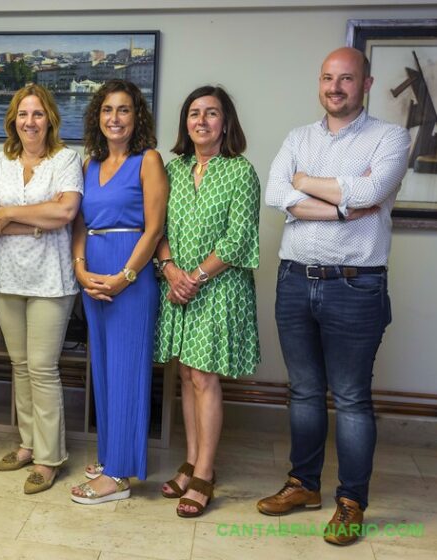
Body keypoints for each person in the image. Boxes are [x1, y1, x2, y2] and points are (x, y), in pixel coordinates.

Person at [259, 47, 410, 546]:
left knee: (350, 397)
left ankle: (351, 501)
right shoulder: (298, 137)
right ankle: (303, 485)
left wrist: (307, 185)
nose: (335, 87)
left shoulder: (390, 138)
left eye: (347, 79)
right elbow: (276, 192)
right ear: (318, 82)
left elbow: (371, 192)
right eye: (328, 78)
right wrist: (342, 205)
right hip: (296, 278)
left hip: (356, 283)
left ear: (366, 84)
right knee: (302, 391)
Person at [154, 86, 260, 518]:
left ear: (225, 121)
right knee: (183, 374)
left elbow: (239, 239)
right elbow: (154, 227)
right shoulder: (171, 170)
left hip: (218, 290)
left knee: (204, 378)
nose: (201, 120)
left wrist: (194, 277)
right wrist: (170, 271)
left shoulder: (240, 172)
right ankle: (192, 460)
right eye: (194, 113)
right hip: (175, 284)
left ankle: (205, 473)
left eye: (211, 113)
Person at [0, 85, 83, 494]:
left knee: (42, 368)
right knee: (19, 365)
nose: (30, 122)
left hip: (50, 278)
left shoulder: (66, 159)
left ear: (50, 119)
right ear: (13, 120)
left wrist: (10, 217)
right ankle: (27, 444)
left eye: (38, 114)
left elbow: (65, 211)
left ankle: (49, 457)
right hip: (7, 276)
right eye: (23, 114)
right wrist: (33, 222)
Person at [69, 79, 168, 504]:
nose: (115, 118)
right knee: (105, 371)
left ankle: (120, 475)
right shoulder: (89, 165)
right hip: (95, 278)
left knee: (128, 370)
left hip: (132, 276)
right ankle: (111, 456)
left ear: (136, 116)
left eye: (124, 110)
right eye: (108, 110)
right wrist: (81, 270)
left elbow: (155, 227)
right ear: (98, 116)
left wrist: (125, 275)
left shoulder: (148, 160)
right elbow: (79, 224)